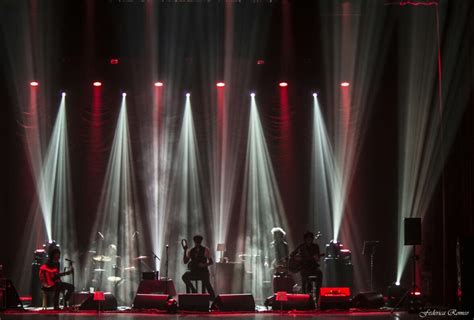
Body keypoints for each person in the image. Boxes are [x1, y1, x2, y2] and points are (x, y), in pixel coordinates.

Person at [181, 235, 216, 299]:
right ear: (194, 241)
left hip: (203, 272)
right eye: (196, 241)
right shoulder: (191, 250)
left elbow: (211, 262)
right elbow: (185, 261)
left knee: (207, 283)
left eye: (199, 241)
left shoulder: (205, 249)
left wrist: (204, 264)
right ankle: (194, 290)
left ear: (201, 241)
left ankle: (213, 298)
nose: (197, 243)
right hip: (194, 272)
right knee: (184, 276)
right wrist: (185, 250)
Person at [290, 231, 323, 297]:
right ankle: (305, 294)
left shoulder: (315, 246)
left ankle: (318, 294)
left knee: (319, 273)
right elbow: (292, 254)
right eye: (307, 238)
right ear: (305, 239)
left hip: (313, 267)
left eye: (310, 238)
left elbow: (318, 258)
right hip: (304, 267)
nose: (309, 240)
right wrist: (297, 257)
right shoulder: (301, 247)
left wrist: (317, 258)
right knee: (305, 275)